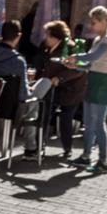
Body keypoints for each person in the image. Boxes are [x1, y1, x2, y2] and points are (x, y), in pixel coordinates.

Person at [63, 7, 107, 174]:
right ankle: (86, 156)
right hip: (94, 80)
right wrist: (75, 65)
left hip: (102, 83)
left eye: (94, 22)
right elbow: (90, 64)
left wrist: (76, 58)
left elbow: (93, 58)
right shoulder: (97, 39)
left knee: (98, 123)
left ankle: (103, 161)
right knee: (89, 123)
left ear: (104, 22)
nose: (91, 25)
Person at [36, 21, 86, 159]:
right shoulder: (46, 48)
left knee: (66, 118)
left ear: (55, 37)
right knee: (45, 114)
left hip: (71, 90)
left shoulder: (71, 48)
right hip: (53, 88)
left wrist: (60, 78)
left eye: (47, 35)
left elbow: (79, 70)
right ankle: (40, 145)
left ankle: (67, 148)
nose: (45, 38)